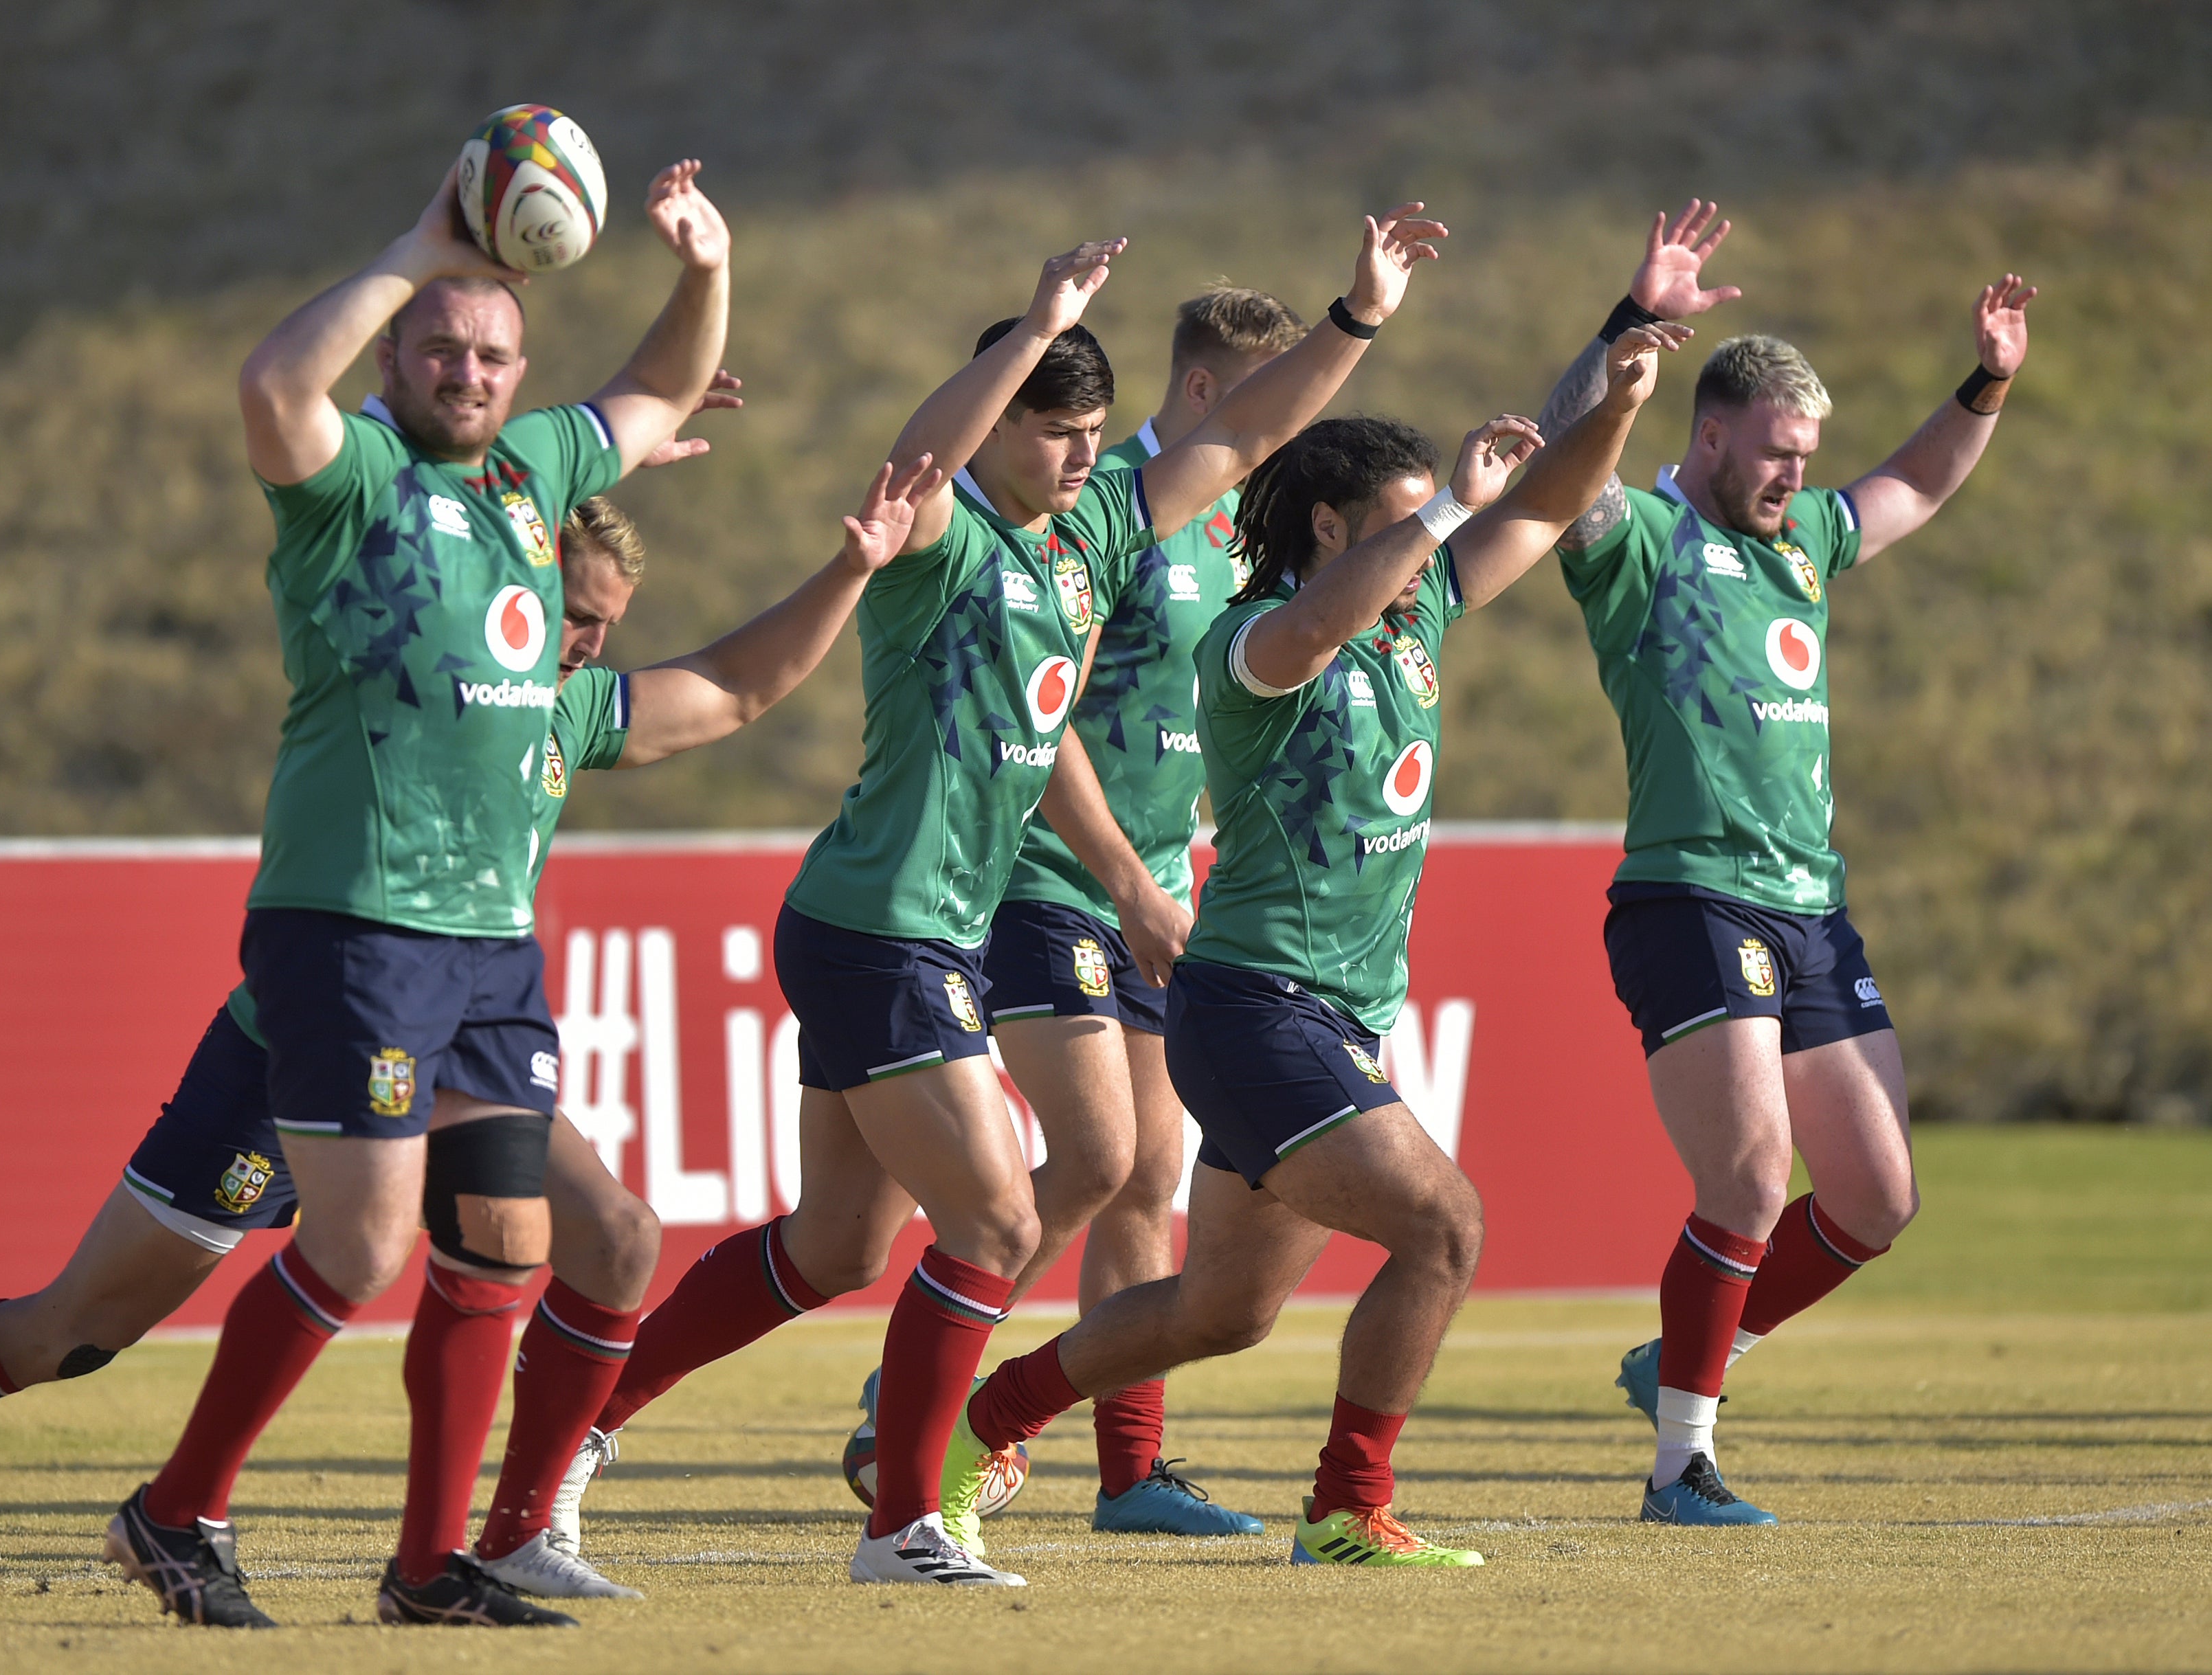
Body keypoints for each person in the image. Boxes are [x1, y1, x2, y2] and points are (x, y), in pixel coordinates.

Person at [0, 153, 735, 1622]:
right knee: (88, 1324)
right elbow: (272, 386)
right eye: (441, 344)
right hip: (343, 948)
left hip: (472, 951)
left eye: (494, 350)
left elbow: (655, 387)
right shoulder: (357, 477)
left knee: (505, 1235)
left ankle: (419, 1565)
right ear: (393, 353)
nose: (468, 367)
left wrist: (702, 268)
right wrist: (416, 245)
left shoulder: (539, 473)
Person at [0, 451, 943, 1614]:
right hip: (302, 1041)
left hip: (454, 1039)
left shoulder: (564, 716)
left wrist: (855, 566)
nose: (586, 643)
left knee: (613, 1238)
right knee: (72, 1330)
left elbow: (733, 687)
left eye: (606, 626)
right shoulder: (405, 670)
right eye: (572, 610)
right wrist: (561, 444)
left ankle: (512, 1534)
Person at [550, 205, 1453, 1588]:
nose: (1080, 454)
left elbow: (1247, 438)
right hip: (883, 923)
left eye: (1092, 433)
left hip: (917, 929)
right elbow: (924, 453)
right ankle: (909, 1516)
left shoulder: (1093, 537)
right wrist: (1030, 330)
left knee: (837, 1245)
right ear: (999, 432)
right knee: (1000, 1220)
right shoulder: (935, 538)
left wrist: (1359, 318)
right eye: (1049, 428)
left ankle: (580, 1433)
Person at [950, 321, 1688, 1572]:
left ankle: (992, 1415)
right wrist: (1448, 504)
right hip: (1256, 1012)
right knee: (1447, 1227)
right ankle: (1346, 1505)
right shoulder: (1250, 648)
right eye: (1406, 528)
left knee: (1221, 1311)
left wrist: (1613, 405)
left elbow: (1554, 502)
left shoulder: (1417, 614)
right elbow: (1324, 619)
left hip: (1329, 1017)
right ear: (1336, 530)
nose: (1437, 549)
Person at [1528, 203, 2037, 1525]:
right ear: (1708, 436)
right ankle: (1680, 1463)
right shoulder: (1640, 542)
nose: (1793, 478)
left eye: (1807, 457)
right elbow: (1552, 473)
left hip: (1815, 907)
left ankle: (1684, 1360)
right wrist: (1628, 325)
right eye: (1773, 455)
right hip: (1690, 893)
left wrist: (1986, 382)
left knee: (1875, 1197)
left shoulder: (1803, 539)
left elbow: (1914, 483)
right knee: (1751, 1182)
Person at [908, 285, 1310, 1539]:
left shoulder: (1237, 536)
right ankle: (912, 1383)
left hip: (1153, 890)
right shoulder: (1108, 517)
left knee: (1147, 1182)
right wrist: (1130, 879)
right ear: (1203, 395)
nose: (1276, 439)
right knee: (1096, 1158)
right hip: (1049, 876)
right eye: (1262, 408)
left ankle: (1131, 1474)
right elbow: (1047, 717)